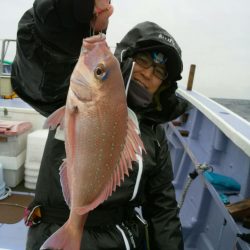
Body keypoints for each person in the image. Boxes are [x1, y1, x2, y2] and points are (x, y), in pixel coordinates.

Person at [11, 1, 187, 249]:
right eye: (144, 61)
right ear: (126, 58)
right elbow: (42, 68)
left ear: (164, 85)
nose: (148, 74)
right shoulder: (69, 89)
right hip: (54, 230)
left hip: (120, 239)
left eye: (159, 72)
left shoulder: (156, 134)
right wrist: (65, 18)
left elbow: (163, 207)